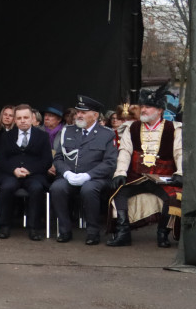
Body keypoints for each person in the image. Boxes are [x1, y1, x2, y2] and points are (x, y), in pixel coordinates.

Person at [107, 86, 183, 248]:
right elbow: (125, 151)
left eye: (148, 107)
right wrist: (120, 173)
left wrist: (180, 172)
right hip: (138, 177)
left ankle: (163, 234)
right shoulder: (131, 127)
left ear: (160, 110)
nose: (143, 110)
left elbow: (180, 152)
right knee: (118, 193)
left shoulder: (174, 128)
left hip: (163, 177)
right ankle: (123, 233)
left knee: (173, 197)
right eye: (142, 106)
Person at [48, 95, 118, 245]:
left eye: (84, 112)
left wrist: (88, 175)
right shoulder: (68, 131)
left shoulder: (107, 134)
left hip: (95, 178)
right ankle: (64, 230)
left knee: (88, 189)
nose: (79, 115)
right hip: (69, 175)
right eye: (78, 111)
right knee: (57, 187)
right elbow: (59, 157)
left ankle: (93, 232)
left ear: (95, 115)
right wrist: (66, 173)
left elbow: (110, 163)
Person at [0, 104, 53, 240]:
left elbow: (47, 160)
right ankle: (4, 226)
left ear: (32, 118)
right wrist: (13, 170)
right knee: (6, 187)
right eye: (19, 118)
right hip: (11, 174)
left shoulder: (43, 136)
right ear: (15, 120)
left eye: (26, 117)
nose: (23, 120)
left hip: (34, 175)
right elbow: (1, 159)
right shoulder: (6, 136)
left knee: (37, 188)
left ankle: (34, 228)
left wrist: (30, 170)